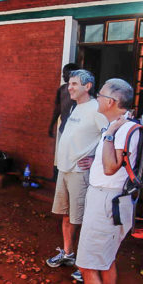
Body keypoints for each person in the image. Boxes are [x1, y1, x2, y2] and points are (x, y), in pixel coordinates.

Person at [46, 69, 108, 282]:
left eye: (73, 84)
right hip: (65, 170)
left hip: (80, 173)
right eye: (69, 83)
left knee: (82, 219)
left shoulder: (97, 109)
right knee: (67, 216)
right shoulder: (76, 107)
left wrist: (95, 160)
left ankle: (86, 265)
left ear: (87, 87)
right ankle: (68, 254)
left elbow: (109, 138)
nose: (69, 87)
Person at [76, 79, 137, 284]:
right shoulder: (120, 126)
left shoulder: (121, 129)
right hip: (109, 199)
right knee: (106, 260)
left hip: (106, 202)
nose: (97, 99)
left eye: (100, 95)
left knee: (86, 264)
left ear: (111, 102)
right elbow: (115, 164)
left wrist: (109, 134)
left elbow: (111, 169)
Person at [48, 63, 79, 180]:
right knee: (63, 154)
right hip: (64, 128)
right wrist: (51, 125)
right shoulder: (61, 90)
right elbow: (57, 109)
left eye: (64, 73)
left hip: (76, 132)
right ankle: (60, 176)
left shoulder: (80, 92)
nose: (62, 76)